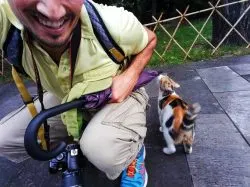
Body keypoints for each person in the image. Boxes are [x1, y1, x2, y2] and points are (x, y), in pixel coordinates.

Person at [0, 0, 157, 186]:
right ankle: (76, 140)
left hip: (118, 96)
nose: (53, 11)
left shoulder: (112, 23)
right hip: (67, 97)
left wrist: (130, 76)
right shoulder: (6, 21)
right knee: (4, 139)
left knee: (102, 150)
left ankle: (133, 152)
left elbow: (150, 39)